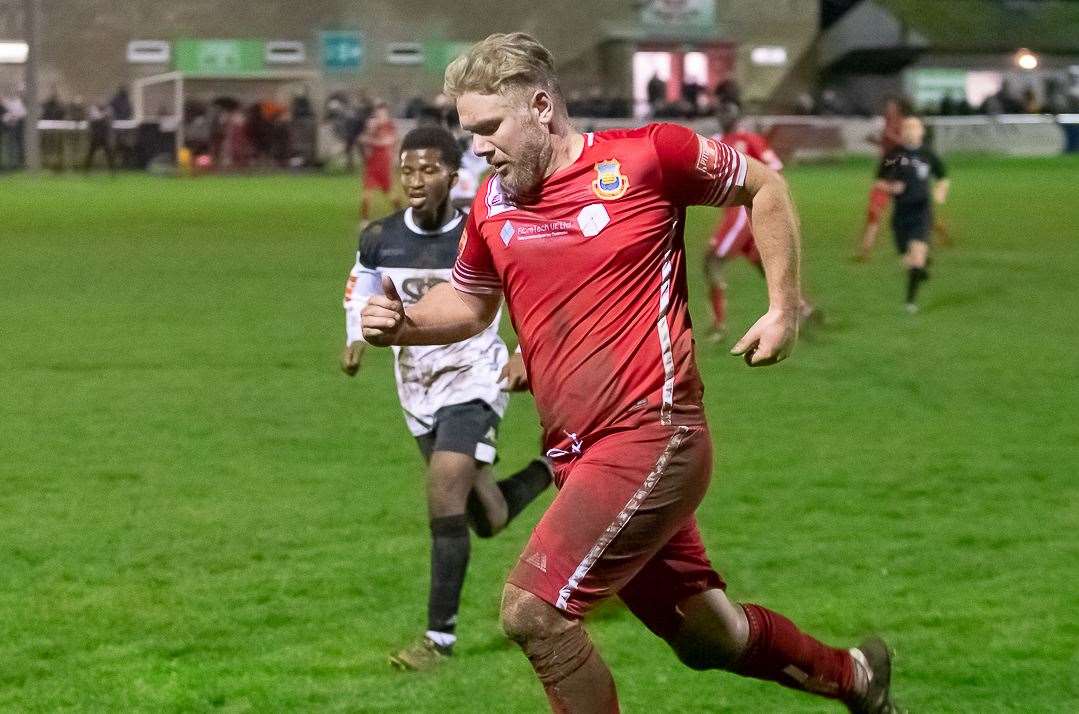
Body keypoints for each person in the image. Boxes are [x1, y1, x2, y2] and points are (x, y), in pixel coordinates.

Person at [362, 33, 899, 714]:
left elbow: (763, 188)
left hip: (653, 433)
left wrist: (783, 307)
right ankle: (855, 678)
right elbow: (469, 302)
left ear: (539, 106)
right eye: (469, 131)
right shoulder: (492, 206)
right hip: (576, 456)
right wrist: (403, 322)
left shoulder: (648, 156)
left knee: (533, 611)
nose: (477, 147)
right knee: (707, 637)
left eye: (489, 128)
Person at [342, 125, 552, 671]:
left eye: (429, 169)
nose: (415, 179)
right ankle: (552, 469)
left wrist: (525, 351)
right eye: (408, 170)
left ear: (454, 177)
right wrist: (355, 336)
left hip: (474, 377)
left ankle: (438, 642)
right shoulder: (380, 235)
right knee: (486, 516)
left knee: (442, 493)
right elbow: (361, 286)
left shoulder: (479, 233)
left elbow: (532, 291)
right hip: (415, 384)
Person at [705, 111, 818, 341]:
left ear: (736, 117)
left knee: (712, 260)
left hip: (743, 213)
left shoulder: (748, 140)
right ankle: (804, 308)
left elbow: (774, 169)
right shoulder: (715, 142)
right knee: (765, 267)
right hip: (735, 212)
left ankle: (719, 327)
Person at [876, 117, 949, 314]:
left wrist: (940, 191)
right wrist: (892, 187)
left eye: (914, 128)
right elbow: (879, 181)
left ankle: (910, 302)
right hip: (900, 214)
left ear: (921, 132)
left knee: (916, 257)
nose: (910, 131)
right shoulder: (894, 155)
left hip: (922, 212)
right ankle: (920, 271)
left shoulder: (928, 154)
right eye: (906, 128)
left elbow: (943, 177)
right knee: (907, 260)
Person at [855, 97, 908, 261]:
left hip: (899, 164)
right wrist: (873, 141)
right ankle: (865, 250)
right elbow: (885, 145)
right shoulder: (885, 124)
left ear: (898, 109)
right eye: (888, 107)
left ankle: (936, 227)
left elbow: (906, 144)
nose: (889, 110)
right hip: (887, 165)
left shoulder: (903, 124)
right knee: (874, 210)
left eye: (892, 107)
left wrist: (890, 136)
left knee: (912, 207)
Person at [359, 100, 401, 224]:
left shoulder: (390, 126)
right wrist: (370, 136)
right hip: (372, 163)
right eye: (378, 114)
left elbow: (390, 141)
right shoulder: (372, 126)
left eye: (383, 114)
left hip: (384, 163)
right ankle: (364, 219)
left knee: (389, 192)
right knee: (366, 194)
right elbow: (363, 139)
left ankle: (400, 213)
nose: (380, 117)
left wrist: (373, 142)